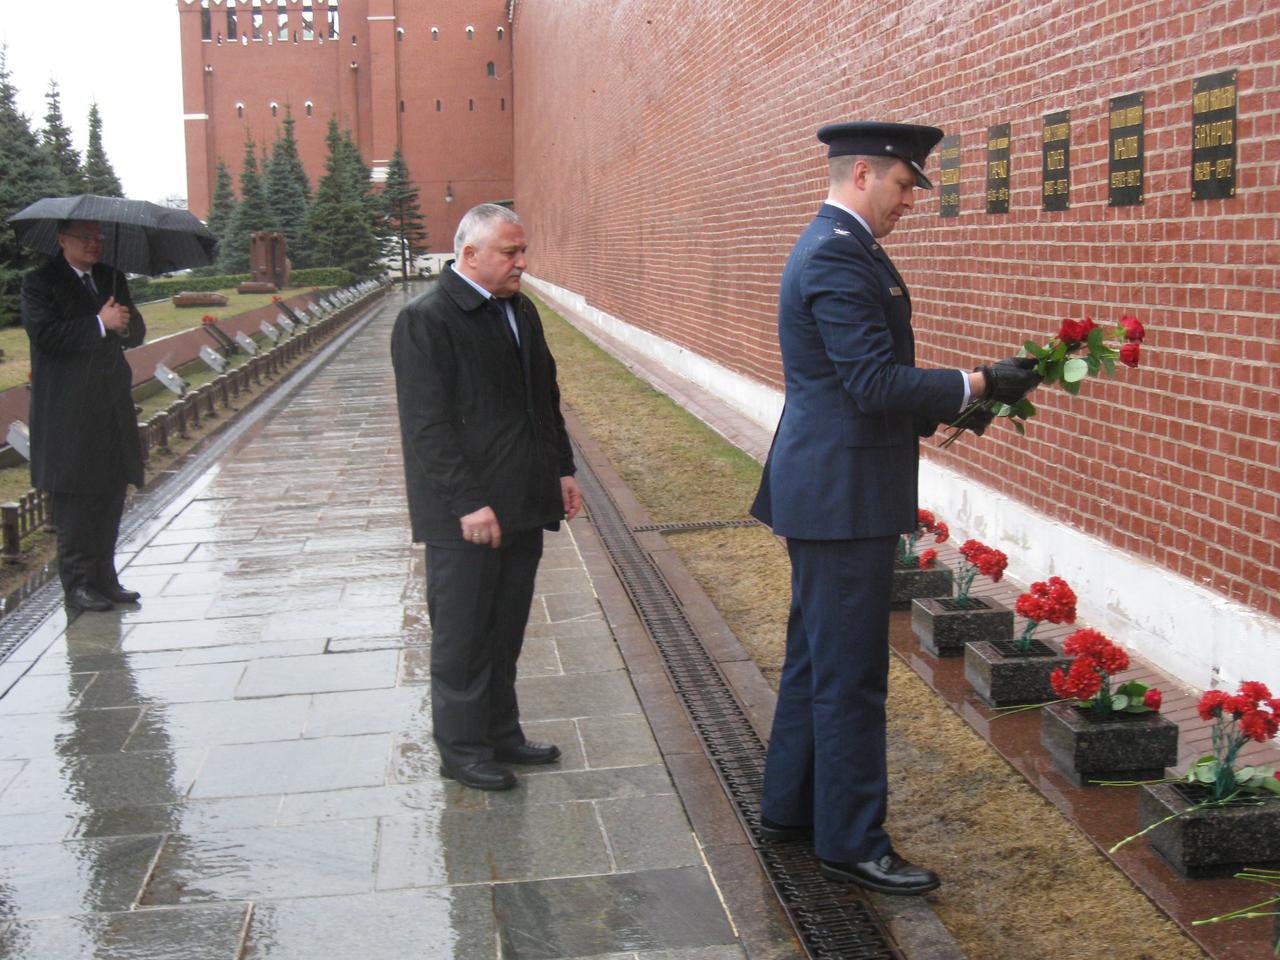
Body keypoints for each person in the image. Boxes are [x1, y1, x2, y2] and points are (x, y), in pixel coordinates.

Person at [749, 122, 1040, 894]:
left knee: (817, 659)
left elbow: (865, 384)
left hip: (831, 485)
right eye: (906, 185)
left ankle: (793, 806)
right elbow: (872, 383)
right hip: (841, 496)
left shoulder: (841, 246)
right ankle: (851, 841)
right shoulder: (838, 254)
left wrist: (961, 401)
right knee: (850, 676)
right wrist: (976, 382)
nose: (910, 201)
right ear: (864, 175)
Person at [391, 203, 582, 792]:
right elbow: (428, 427)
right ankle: (463, 748)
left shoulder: (519, 310)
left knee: (505, 628)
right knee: (463, 635)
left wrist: (562, 470)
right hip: (466, 515)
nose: (522, 262)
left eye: (523, 251)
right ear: (469, 255)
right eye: (510, 252)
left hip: (523, 499)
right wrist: (467, 503)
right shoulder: (428, 320)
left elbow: (543, 399)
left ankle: (502, 733)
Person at [21, 219, 146, 613]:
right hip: (67, 409)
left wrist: (123, 326)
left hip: (109, 404)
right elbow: (46, 336)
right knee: (76, 497)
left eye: (99, 238)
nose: (95, 244)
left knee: (110, 492)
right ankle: (78, 584)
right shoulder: (40, 282)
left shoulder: (110, 277)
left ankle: (105, 579)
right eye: (85, 238)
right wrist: (98, 323)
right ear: (62, 240)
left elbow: (136, 330)